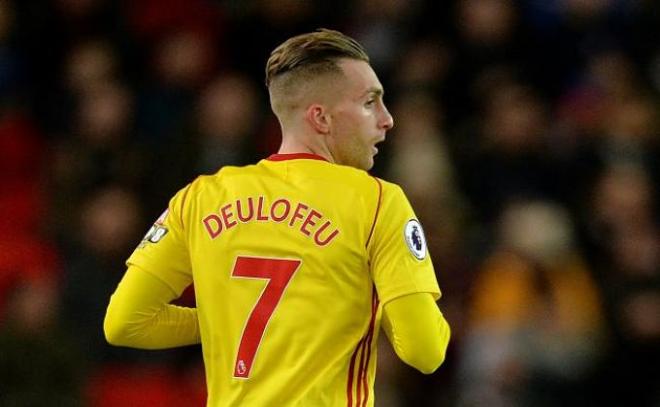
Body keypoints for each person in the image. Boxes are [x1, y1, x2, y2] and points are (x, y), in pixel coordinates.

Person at [104, 28, 450, 406]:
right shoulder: (378, 201)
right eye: (370, 103)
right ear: (321, 118)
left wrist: (229, 314)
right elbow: (424, 351)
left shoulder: (201, 197)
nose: (387, 120)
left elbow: (125, 322)